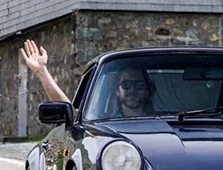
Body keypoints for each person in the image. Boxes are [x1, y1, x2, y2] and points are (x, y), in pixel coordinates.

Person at [20, 39, 154, 118]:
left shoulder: (161, 121)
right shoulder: (99, 123)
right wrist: (41, 71)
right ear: (116, 90)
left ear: (148, 90)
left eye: (139, 85)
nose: (132, 90)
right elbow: (71, 115)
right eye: (126, 85)